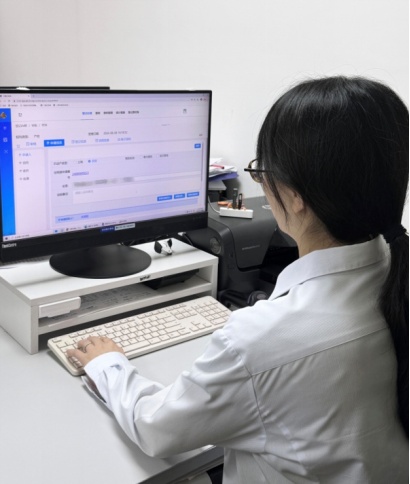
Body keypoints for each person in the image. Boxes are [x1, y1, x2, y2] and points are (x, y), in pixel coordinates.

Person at [68, 76, 409, 483]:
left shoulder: (262, 339)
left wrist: (107, 364)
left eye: (261, 171)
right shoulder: (396, 276)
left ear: (295, 196)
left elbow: (155, 428)